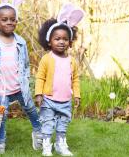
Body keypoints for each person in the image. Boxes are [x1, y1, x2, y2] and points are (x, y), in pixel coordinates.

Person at [0, 5, 42, 154]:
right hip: (1, 88)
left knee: (31, 109)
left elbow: (25, 64)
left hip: (19, 86)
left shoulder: (20, 42)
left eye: (13, 20)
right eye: (5, 20)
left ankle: (38, 131)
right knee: (1, 116)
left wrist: (25, 79)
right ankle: (0, 141)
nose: (9, 23)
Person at [35, 11, 83, 156]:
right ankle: (47, 145)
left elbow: (75, 79)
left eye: (65, 39)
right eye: (57, 39)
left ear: (70, 42)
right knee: (48, 123)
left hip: (65, 100)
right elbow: (40, 78)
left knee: (63, 125)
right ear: (49, 41)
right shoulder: (46, 59)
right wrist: (38, 94)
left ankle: (60, 144)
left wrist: (77, 95)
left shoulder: (72, 61)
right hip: (49, 99)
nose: (61, 42)